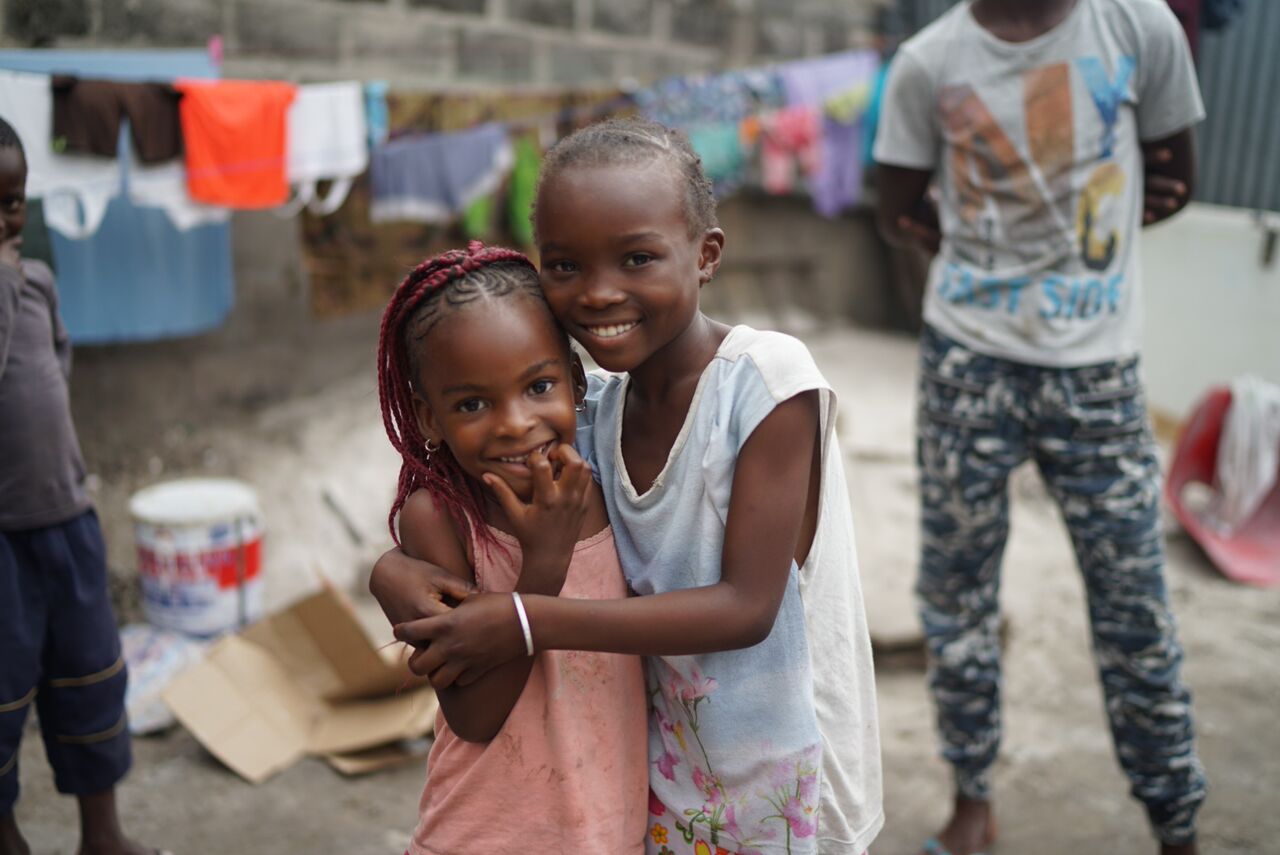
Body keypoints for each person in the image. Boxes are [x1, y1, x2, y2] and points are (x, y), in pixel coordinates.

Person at [375, 117, 883, 855]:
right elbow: (463, 499)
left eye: (638, 258)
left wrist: (525, 618)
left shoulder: (767, 383)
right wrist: (389, 567)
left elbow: (746, 607)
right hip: (659, 785)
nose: (600, 293)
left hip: (782, 781)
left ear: (706, 254)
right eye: (565, 265)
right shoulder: (591, 416)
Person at [871, 1, 1208, 854]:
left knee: (1134, 606)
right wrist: (994, 260)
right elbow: (897, 204)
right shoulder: (927, 61)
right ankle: (970, 800)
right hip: (968, 364)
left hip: (1098, 373)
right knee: (957, 596)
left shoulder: (1140, 30)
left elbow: (1175, 179)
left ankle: (1176, 821)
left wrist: (1083, 250)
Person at [375, 241, 649, 853]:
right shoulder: (441, 520)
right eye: (472, 404)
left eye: (539, 386)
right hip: (482, 837)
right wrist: (544, 560)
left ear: (575, 379)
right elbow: (474, 716)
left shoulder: (613, 485)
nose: (515, 423)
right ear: (426, 418)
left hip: (611, 834)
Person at [0, 118, 164, 855]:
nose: (5, 219)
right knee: (2, 697)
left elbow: (54, 369)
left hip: (66, 515)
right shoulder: (12, 282)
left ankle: (104, 834)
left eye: (12, 202)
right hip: (3, 535)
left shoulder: (36, 278)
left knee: (92, 675)